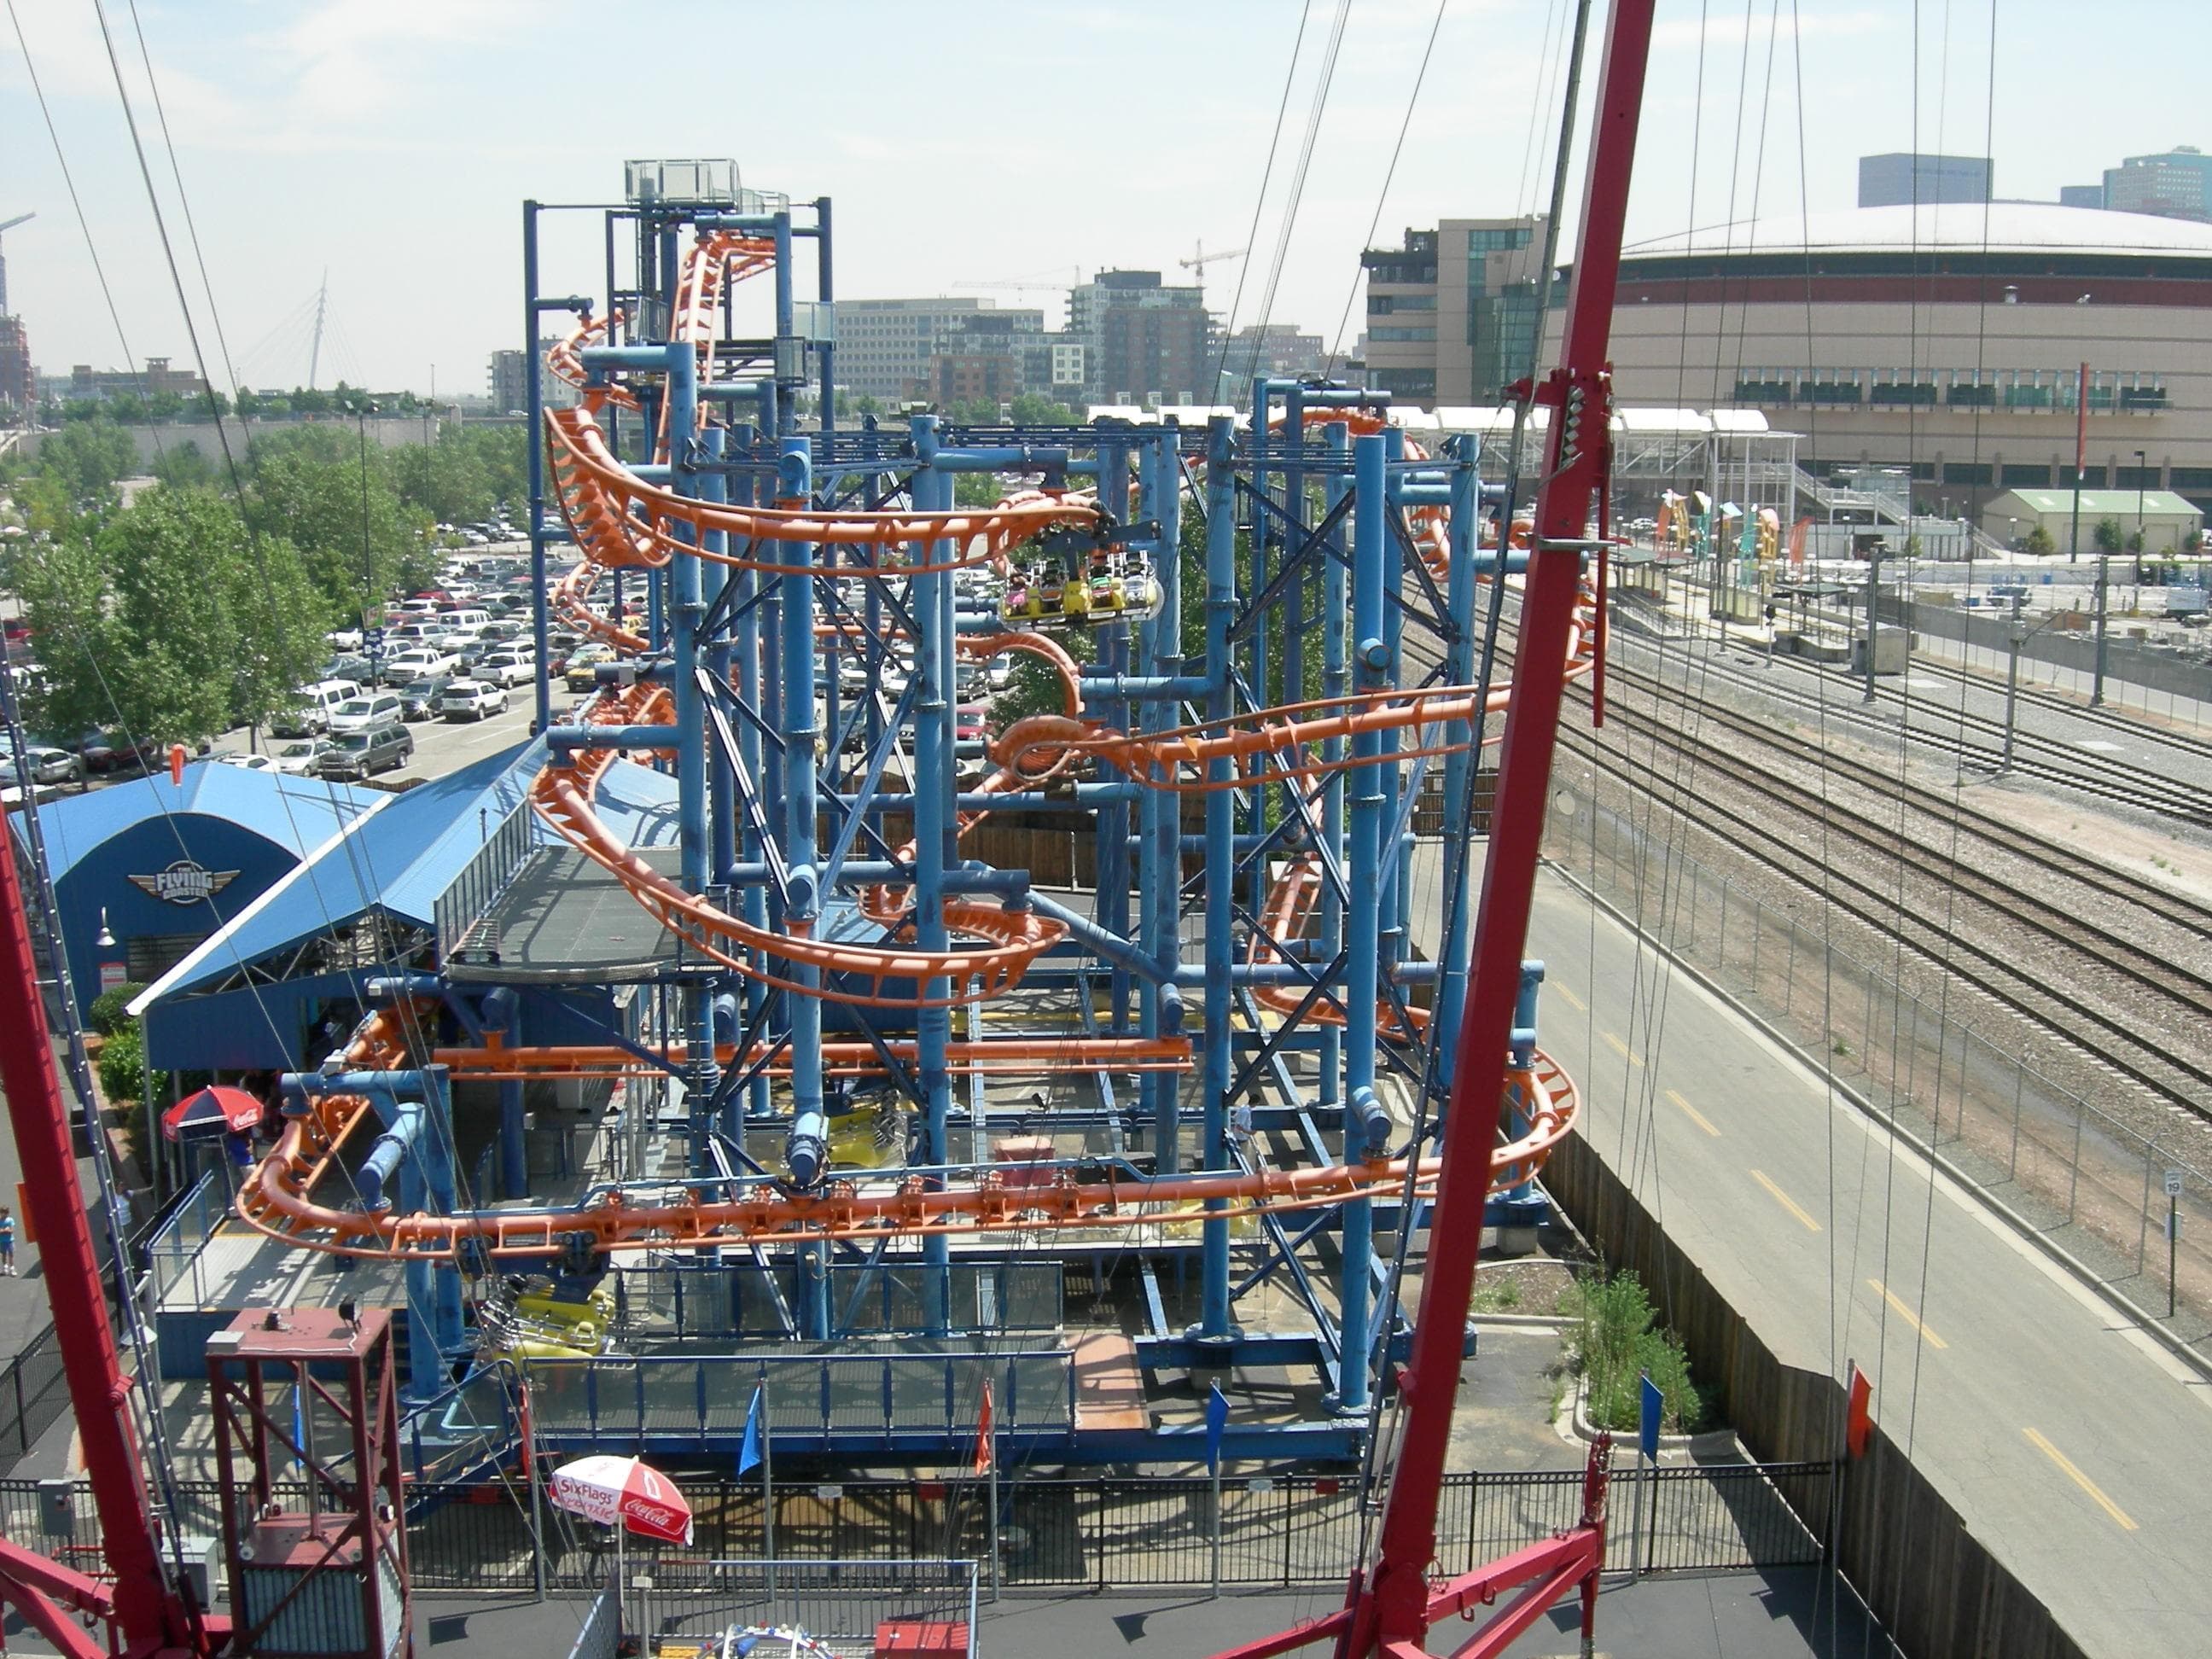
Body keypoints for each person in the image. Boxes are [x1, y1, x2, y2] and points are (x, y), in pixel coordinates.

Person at [0, 1207, 15, 1276]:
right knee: (3, 1254)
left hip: (10, 1241)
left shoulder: (10, 1220)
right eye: (4, 1213)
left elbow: (11, 1230)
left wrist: (4, 1230)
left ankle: (12, 1269)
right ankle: (5, 1269)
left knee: (11, 1255)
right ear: (1, 1213)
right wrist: (5, 1230)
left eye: (7, 1213)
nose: (6, 1214)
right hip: (2, 1241)